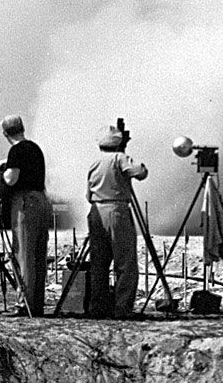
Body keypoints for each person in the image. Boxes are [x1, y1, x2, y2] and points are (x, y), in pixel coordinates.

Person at [85, 123, 147, 318]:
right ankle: (122, 308)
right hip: (117, 210)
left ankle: (98, 307)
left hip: (96, 211)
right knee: (125, 261)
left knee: (99, 263)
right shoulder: (120, 158)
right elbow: (139, 172)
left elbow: (88, 194)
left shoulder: (94, 163)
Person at [0, 114, 50, 316]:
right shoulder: (34, 148)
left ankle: (24, 304)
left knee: (24, 254)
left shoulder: (16, 150)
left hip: (25, 202)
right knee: (38, 253)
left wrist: (2, 174)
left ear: (5, 133)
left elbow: (11, 179)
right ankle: (36, 303)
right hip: (41, 200)